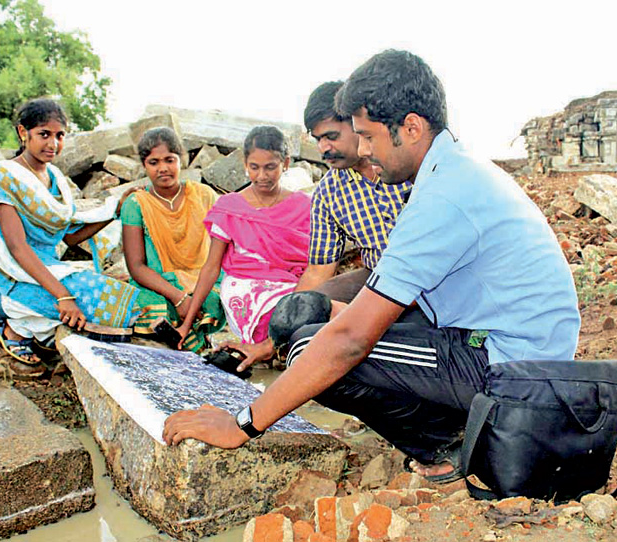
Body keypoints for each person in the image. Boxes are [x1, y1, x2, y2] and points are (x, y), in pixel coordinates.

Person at [163, 50, 580, 484]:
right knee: (314, 324)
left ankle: (459, 444)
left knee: (313, 350)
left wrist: (241, 424)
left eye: (369, 137)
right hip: (506, 346)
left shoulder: (443, 196)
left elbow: (349, 342)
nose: (363, 151)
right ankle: (463, 425)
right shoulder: (452, 170)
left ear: (411, 127)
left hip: (515, 370)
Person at [0, 98, 142, 369]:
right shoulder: (3, 179)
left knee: (117, 301)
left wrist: (114, 211)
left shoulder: (56, 179)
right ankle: (16, 329)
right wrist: (63, 295)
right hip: (17, 272)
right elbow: (17, 247)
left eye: (60, 135)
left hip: (49, 269)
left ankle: (35, 327)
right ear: (23, 133)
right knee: (106, 305)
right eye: (44, 134)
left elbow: (69, 238)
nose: (53, 144)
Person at [177, 126, 311, 356]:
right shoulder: (230, 207)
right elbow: (211, 267)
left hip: (291, 283)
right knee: (274, 319)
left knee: (302, 312)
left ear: (286, 163)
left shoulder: (303, 206)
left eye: (270, 167)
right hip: (244, 285)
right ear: (244, 164)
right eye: (254, 167)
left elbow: (314, 264)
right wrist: (186, 324)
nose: (262, 176)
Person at [294, 81, 413, 302]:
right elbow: (318, 270)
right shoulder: (328, 193)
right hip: (377, 277)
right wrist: (289, 318)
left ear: (357, 125)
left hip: (428, 277)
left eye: (331, 136)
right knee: (313, 305)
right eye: (318, 140)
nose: (323, 148)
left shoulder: (406, 164)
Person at [121, 127, 225, 352]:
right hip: (158, 285)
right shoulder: (136, 203)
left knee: (212, 305)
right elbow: (136, 266)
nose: (163, 168)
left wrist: (193, 298)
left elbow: (224, 249)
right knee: (149, 310)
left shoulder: (204, 195)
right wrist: (178, 298)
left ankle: (190, 333)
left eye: (170, 159)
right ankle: (191, 338)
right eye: (154, 162)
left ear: (181, 159)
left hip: (202, 283)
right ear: (144, 166)